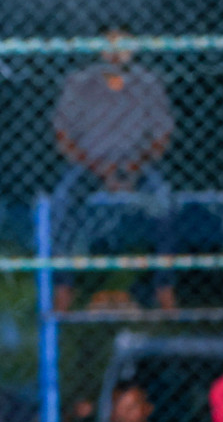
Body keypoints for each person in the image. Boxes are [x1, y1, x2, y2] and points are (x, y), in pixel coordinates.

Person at [50, 26, 176, 311]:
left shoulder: (149, 83)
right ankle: (63, 288)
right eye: (110, 44)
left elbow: (162, 136)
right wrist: (97, 167)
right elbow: (62, 136)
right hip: (89, 163)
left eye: (123, 44)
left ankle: (164, 287)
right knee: (61, 202)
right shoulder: (79, 83)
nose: (117, 51)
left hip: (135, 162)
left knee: (165, 200)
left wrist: (134, 165)